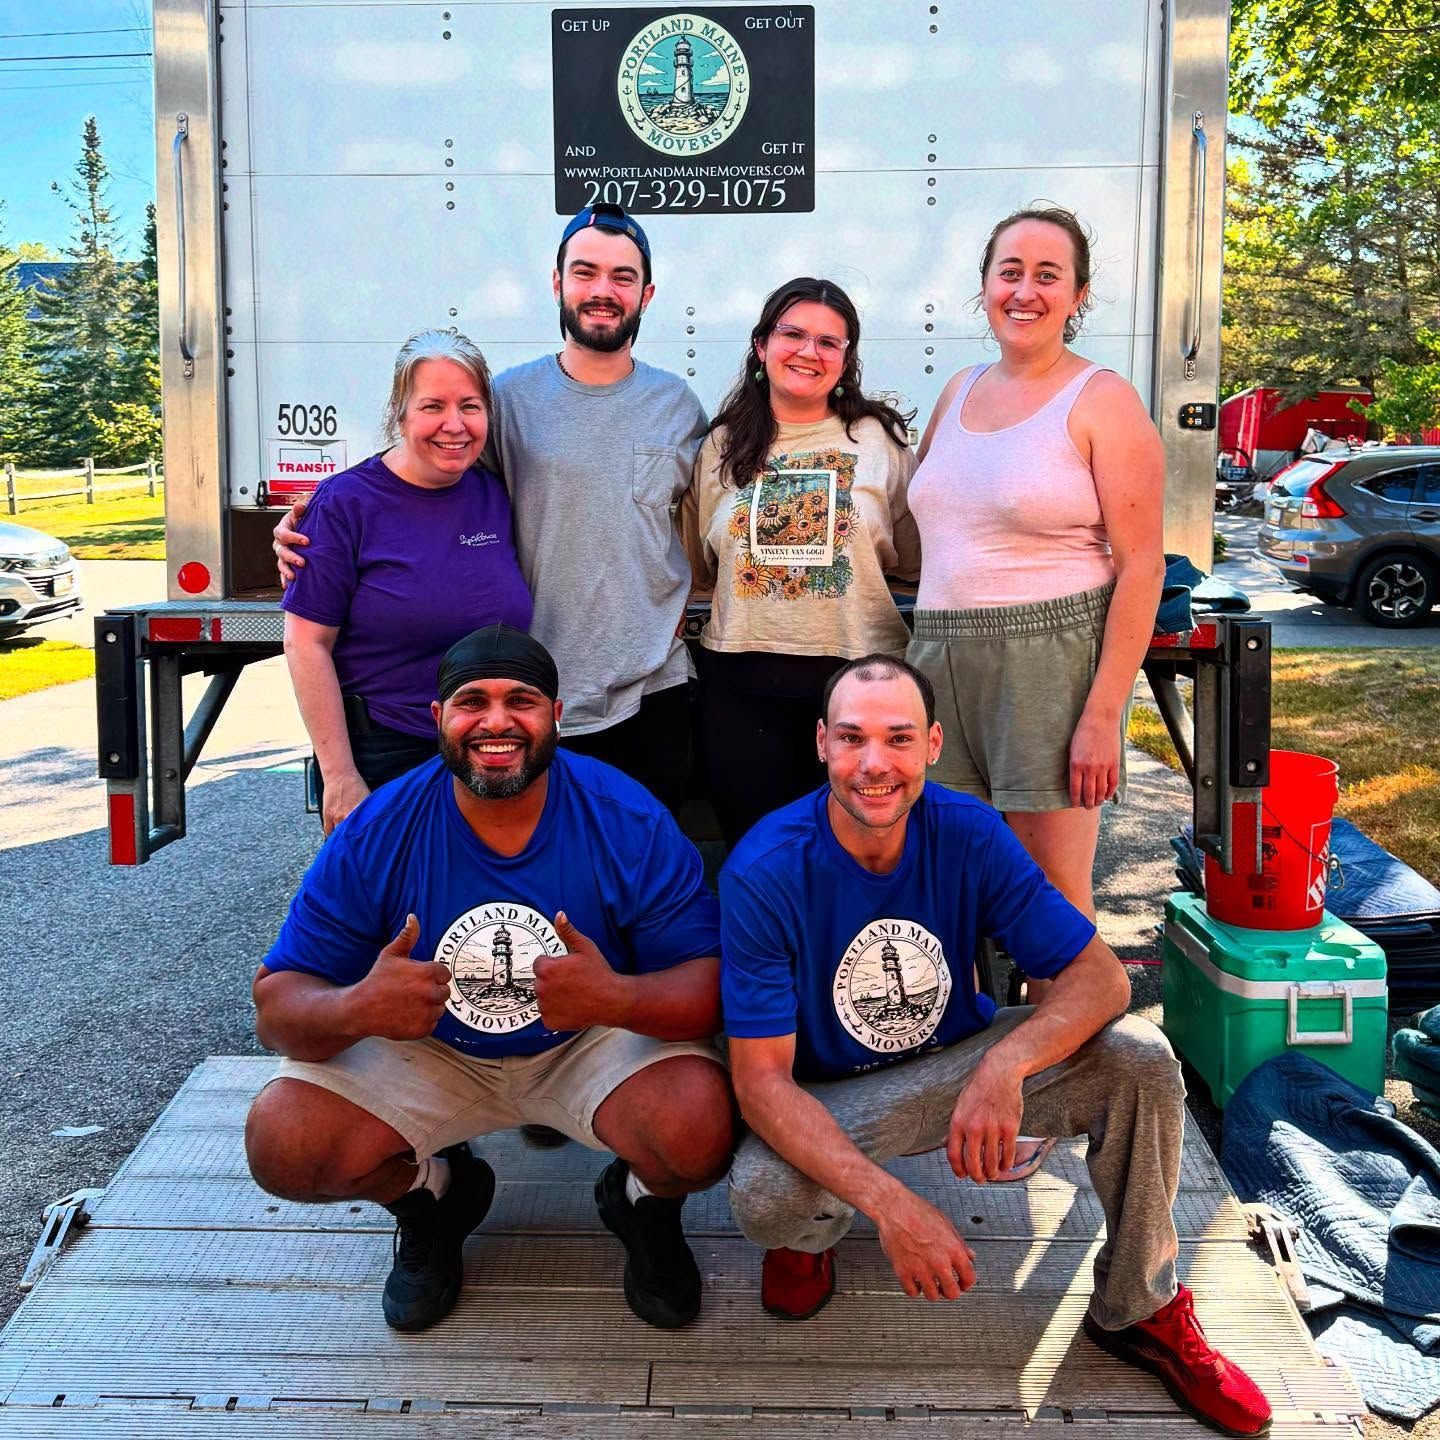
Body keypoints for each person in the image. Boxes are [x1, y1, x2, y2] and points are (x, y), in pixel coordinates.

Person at [719, 655, 1272, 1438]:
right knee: (768, 1200)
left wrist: (1007, 1066)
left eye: (898, 738)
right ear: (820, 744)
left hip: (960, 1058)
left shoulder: (968, 832)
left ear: (934, 743)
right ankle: (818, 1235)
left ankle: (1138, 1306)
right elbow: (761, 1084)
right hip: (835, 1093)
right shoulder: (765, 868)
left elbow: (1101, 979)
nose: (875, 764)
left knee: (1141, 1059)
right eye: (852, 739)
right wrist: (895, 1208)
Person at [244, 626, 735, 1333]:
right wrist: (358, 1006)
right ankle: (432, 1201)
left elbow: (711, 982)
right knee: (285, 1141)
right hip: (432, 1047)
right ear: (437, 718)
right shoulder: (381, 826)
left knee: (698, 1127)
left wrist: (617, 997)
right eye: (472, 701)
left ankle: (642, 1207)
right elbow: (276, 1009)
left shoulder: (624, 817)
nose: (497, 721)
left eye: (522, 700)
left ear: (558, 716)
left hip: (586, 1039)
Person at [275, 205, 707, 815]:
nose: (602, 291)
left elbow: (714, 516)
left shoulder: (680, 405)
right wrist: (318, 515)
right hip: (530, 698)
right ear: (557, 282)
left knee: (645, 876)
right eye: (584, 272)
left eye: (622, 276)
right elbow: (423, 469)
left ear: (647, 292)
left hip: (651, 692)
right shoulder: (507, 400)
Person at [905, 205, 1165, 927]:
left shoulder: (1103, 401)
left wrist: (1103, 716)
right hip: (935, 656)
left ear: (1078, 295)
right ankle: (974, 1042)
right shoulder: (956, 390)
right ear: (984, 284)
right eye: (1009, 272)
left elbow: (1143, 568)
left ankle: (1073, 1042)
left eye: (1048, 276)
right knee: (947, 894)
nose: (1025, 291)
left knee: (1048, 906)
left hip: (1047, 660)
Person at [681, 277, 920, 848]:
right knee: (757, 856)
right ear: (762, 346)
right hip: (742, 690)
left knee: (859, 855)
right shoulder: (720, 446)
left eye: (828, 342)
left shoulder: (879, 440)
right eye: (793, 334)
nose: (809, 352)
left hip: (860, 692)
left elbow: (912, 561)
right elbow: (700, 565)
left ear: (846, 358)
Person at [279, 328, 532, 834]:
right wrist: (340, 774)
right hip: (388, 756)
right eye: (432, 406)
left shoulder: (495, 493)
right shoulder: (344, 504)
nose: (454, 425)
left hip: (490, 753)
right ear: (400, 412)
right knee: (396, 911)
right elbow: (306, 644)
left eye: (471, 406)